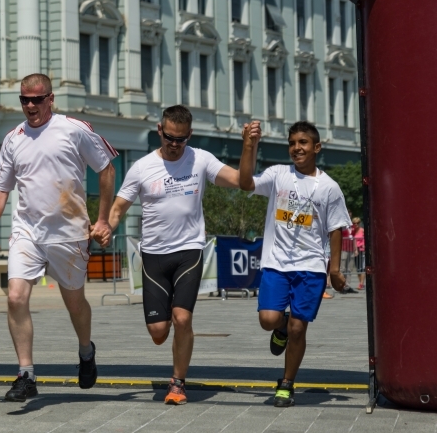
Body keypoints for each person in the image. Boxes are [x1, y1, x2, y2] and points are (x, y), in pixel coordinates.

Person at [0, 73, 117, 403]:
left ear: (50, 99)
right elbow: (1, 188)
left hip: (69, 233)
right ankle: (26, 375)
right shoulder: (13, 138)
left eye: (37, 99)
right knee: (15, 297)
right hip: (27, 232)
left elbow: (107, 169)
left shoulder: (74, 129)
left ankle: (86, 351)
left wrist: (103, 219)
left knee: (75, 303)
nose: (30, 106)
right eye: (24, 99)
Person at [107, 105, 243, 405]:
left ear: (189, 136)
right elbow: (118, 208)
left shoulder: (201, 159)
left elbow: (239, 181)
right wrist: (106, 226)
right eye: (168, 137)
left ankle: (178, 383)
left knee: (182, 319)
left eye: (180, 139)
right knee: (158, 332)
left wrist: (250, 147)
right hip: (154, 255)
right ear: (159, 130)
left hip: (189, 251)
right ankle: (166, 314)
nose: (173, 144)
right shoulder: (141, 167)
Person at [239, 120, 350, 408]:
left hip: (311, 267)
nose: (296, 148)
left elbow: (336, 228)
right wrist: (249, 144)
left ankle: (287, 383)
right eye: (292, 143)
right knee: (268, 320)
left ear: (316, 147)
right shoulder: (278, 174)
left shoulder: (329, 187)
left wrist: (334, 270)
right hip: (276, 263)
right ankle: (281, 327)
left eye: (302, 142)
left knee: (300, 329)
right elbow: (246, 182)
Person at [352, 217, 365, 290]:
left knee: (362, 267)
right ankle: (360, 282)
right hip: (355, 251)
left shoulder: (362, 230)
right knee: (358, 268)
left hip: (362, 250)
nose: (356, 224)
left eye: (357, 223)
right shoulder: (353, 231)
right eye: (354, 223)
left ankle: (361, 283)